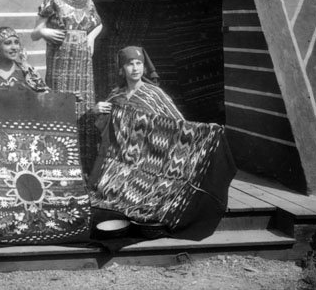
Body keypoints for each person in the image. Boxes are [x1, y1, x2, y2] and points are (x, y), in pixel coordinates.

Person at [90, 46, 236, 240]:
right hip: (122, 160)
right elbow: (103, 129)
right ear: (121, 69)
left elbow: (179, 125)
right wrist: (96, 111)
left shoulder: (154, 94)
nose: (135, 68)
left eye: (139, 63)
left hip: (152, 158)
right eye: (130, 64)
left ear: (144, 67)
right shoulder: (115, 97)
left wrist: (207, 130)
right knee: (107, 194)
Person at [31, 0, 102, 174]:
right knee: (61, 104)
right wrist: (45, 32)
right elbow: (34, 32)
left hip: (83, 62)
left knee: (85, 105)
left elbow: (98, 24)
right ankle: (59, 163)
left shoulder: (87, 0)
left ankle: (84, 167)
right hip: (60, 61)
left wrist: (91, 37)